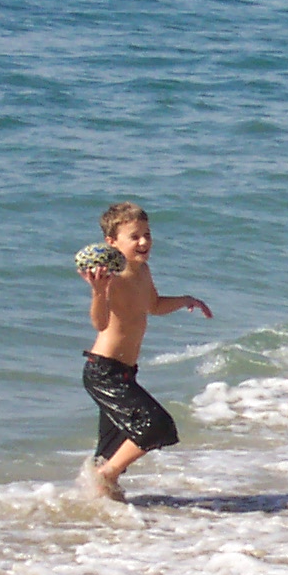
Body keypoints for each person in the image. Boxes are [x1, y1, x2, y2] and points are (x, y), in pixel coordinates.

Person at [77, 202, 212, 500]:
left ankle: (97, 507)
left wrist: (186, 300)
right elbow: (99, 323)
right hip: (104, 372)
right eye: (134, 236)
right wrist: (98, 292)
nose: (144, 242)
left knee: (110, 452)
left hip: (125, 373)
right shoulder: (112, 277)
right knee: (155, 426)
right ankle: (105, 477)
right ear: (111, 242)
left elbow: (153, 305)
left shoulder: (143, 270)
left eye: (147, 234)